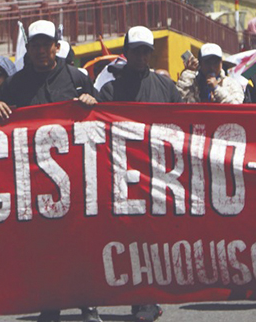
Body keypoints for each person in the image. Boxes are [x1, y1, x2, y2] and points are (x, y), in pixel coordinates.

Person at [0, 20, 101, 322]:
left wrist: (92, 103)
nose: (41, 50)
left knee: (80, 245)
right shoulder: (15, 84)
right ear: (28, 48)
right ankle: (50, 306)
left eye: (47, 44)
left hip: (78, 180)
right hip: (34, 184)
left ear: (57, 46)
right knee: (43, 248)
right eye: (35, 45)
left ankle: (88, 304)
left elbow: (102, 120)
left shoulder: (78, 79)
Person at [97, 26, 179, 322]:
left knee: (152, 239)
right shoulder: (108, 90)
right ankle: (133, 296)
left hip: (158, 175)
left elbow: (183, 127)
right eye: (136, 51)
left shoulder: (166, 88)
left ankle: (148, 299)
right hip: (120, 173)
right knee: (124, 238)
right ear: (127, 52)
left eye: (146, 50)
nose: (141, 56)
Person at [177, 43, 248, 104]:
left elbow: (236, 105)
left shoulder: (231, 83)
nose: (212, 67)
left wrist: (216, 89)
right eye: (208, 63)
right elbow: (180, 100)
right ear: (200, 63)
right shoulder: (192, 81)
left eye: (215, 63)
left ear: (221, 63)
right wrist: (188, 74)